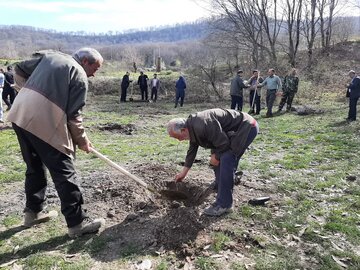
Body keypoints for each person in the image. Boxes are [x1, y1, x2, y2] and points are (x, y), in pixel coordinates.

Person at [7, 48, 105, 238]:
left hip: (19, 115)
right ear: (85, 61)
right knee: (64, 172)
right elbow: (74, 116)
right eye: (95, 68)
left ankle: (32, 214)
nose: (94, 74)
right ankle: (77, 224)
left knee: (34, 167)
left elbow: (19, 69)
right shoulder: (78, 75)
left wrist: (27, 93)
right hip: (43, 123)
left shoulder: (50, 57)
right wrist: (83, 141)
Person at [167, 108, 259, 216]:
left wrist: (217, 156)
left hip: (246, 127)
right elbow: (192, 151)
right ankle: (223, 182)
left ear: (183, 130)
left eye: (177, 137)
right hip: (226, 134)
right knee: (217, 160)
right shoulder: (191, 127)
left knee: (226, 159)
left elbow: (224, 144)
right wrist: (183, 173)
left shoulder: (202, 124)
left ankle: (224, 205)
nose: (179, 140)